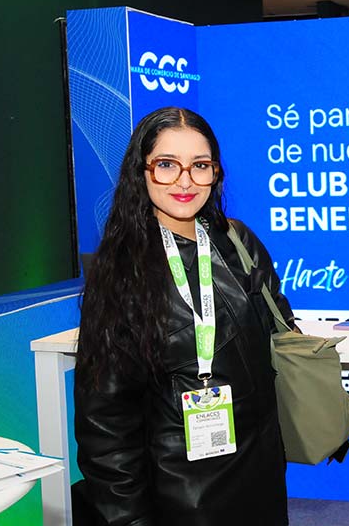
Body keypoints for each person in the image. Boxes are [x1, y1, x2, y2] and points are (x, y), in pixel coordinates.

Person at [74, 107, 295, 526]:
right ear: (141, 171)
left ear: (215, 173)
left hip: (260, 470)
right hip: (177, 488)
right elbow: (106, 423)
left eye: (200, 166)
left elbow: (278, 331)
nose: (185, 181)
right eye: (166, 165)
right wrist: (130, 518)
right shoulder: (122, 271)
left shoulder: (238, 242)